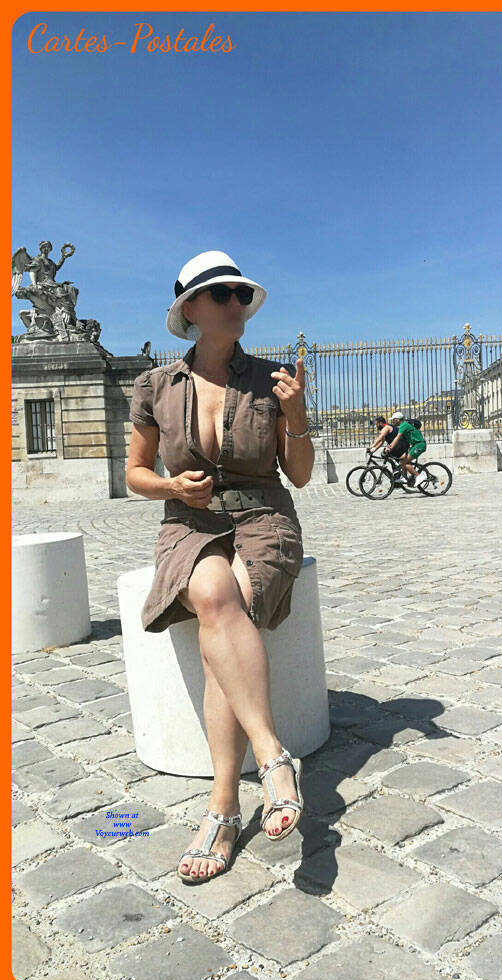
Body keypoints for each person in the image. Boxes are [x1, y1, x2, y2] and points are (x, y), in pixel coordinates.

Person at [126, 250, 314, 885]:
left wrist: (295, 416)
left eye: (241, 294)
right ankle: (273, 756)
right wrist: (172, 487)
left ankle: (223, 807)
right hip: (189, 520)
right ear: (191, 309)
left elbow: (300, 475)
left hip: (264, 517)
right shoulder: (154, 386)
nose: (237, 304)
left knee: (219, 618)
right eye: (222, 294)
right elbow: (136, 474)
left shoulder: (272, 379)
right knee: (212, 594)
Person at [384, 411, 427, 484]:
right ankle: (405, 477)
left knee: (404, 462)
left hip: (419, 445)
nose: (392, 421)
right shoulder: (403, 426)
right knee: (402, 461)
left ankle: (419, 476)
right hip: (415, 445)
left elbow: (397, 438)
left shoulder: (403, 425)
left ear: (397, 420)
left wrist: (390, 447)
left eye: (393, 420)